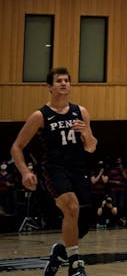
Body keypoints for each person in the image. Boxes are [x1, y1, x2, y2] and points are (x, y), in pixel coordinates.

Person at [10, 68, 97, 276]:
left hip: (78, 169)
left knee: (83, 222)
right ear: (49, 87)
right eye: (59, 81)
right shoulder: (40, 116)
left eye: (67, 80)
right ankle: (75, 265)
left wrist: (86, 132)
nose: (64, 83)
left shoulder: (81, 112)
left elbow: (91, 147)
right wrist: (25, 172)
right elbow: (16, 147)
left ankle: (60, 253)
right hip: (54, 169)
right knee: (71, 206)